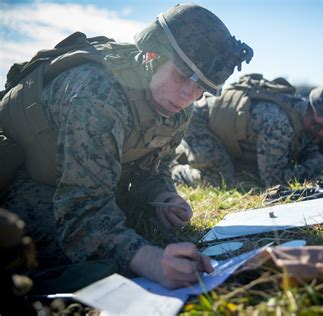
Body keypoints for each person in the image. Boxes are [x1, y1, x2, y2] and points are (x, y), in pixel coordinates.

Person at [0, 3, 253, 290]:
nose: (187, 95)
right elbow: (82, 213)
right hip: (22, 179)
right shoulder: (97, 93)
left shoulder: (178, 107)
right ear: (152, 55)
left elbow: (153, 170)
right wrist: (150, 260)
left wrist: (164, 196)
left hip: (78, 183)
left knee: (134, 219)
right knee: (53, 251)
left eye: (201, 89)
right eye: (183, 76)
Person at [171, 76, 323, 188]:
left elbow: (306, 149)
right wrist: (322, 165)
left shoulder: (305, 116)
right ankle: (176, 172)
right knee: (223, 180)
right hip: (199, 122)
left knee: (244, 174)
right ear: (321, 117)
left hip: (226, 129)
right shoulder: (278, 124)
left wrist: (318, 159)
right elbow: (273, 181)